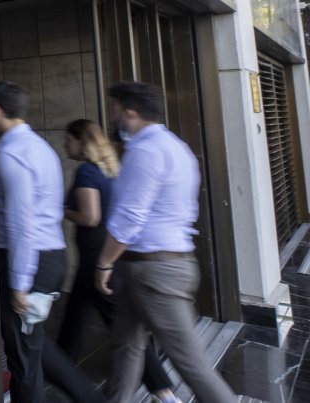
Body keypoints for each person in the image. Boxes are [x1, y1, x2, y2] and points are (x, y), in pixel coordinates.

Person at [95, 82, 235, 403]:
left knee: (191, 364)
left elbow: (130, 218)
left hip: (155, 270)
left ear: (131, 113)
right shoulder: (177, 147)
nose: (112, 118)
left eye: (115, 111)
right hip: (154, 265)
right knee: (127, 346)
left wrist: (104, 262)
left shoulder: (145, 151)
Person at [54, 119, 177, 403]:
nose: (64, 144)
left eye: (68, 139)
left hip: (94, 258)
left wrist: (61, 210)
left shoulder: (86, 172)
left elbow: (90, 216)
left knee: (121, 328)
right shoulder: (109, 170)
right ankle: (55, 369)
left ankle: (164, 392)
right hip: (102, 255)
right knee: (76, 319)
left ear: (81, 142)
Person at [0, 81, 68, 401]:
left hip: (28, 259)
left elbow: (21, 223)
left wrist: (19, 282)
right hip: (50, 253)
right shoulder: (40, 147)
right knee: (30, 351)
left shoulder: (11, 153)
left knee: (23, 362)